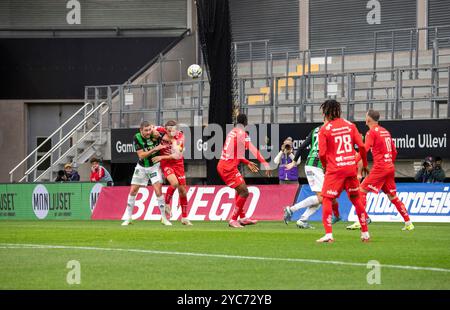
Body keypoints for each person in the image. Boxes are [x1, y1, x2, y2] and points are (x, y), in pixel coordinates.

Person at [317, 99, 370, 243]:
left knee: (327, 199)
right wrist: (364, 164)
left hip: (335, 169)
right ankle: (365, 233)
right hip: (350, 168)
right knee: (356, 199)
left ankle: (328, 234)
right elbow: (362, 146)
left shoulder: (324, 129)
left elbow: (322, 154)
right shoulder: (350, 125)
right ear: (339, 111)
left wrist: (325, 166)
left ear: (325, 113)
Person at [353, 110, 413, 231]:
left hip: (380, 167)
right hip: (389, 167)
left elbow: (365, 149)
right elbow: (394, 151)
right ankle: (408, 223)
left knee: (361, 190)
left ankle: (361, 221)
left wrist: (353, 161)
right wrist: (389, 162)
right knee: (392, 196)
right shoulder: (385, 131)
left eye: (365, 116)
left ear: (368, 119)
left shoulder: (371, 132)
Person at [217, 113, 271, 228]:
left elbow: (237, 154)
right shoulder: (242, 134)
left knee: (240, 190)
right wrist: (265, 163)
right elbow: (253, 149)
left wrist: (247, 162)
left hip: (226, 165)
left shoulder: (233, 132)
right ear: (246, 123)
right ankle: (233, 220)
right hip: (228, 168)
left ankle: (242, 218)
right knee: (244, 192)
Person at [283, 124, 341, 229]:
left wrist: (294, 161)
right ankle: (291, 210)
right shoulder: (332, 130)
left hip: (312, 165)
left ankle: (302, 219)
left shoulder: (316, 130)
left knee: (322, 197)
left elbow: (302, 146)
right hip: (316, 166)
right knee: (323, 197)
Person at [122, 121, 171, 226]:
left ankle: (164, 218)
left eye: (149, 130)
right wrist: (155, 149)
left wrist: (159, 131)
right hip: (141, 167)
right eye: (146, 130)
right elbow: (141, 156)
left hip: (154, 167)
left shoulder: (157, 133)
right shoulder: (137, 138)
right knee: (133, 191)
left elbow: (170, 134)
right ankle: (129, 218)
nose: (148, 132)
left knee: (158, 191)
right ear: (141, 130)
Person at [152, 120, 192, 226]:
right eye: (169, 130)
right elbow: (150, 128)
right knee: (174, 183)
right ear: (166, 129)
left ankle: (184, 217)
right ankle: (166, 204)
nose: (171, 132)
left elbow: (177, 156)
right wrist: (153, 131)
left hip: (178, 163)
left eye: (173, 130)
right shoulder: (160, 130)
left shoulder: (180, 138)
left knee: (183, 191)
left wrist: (161, 156)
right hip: (166, 164)